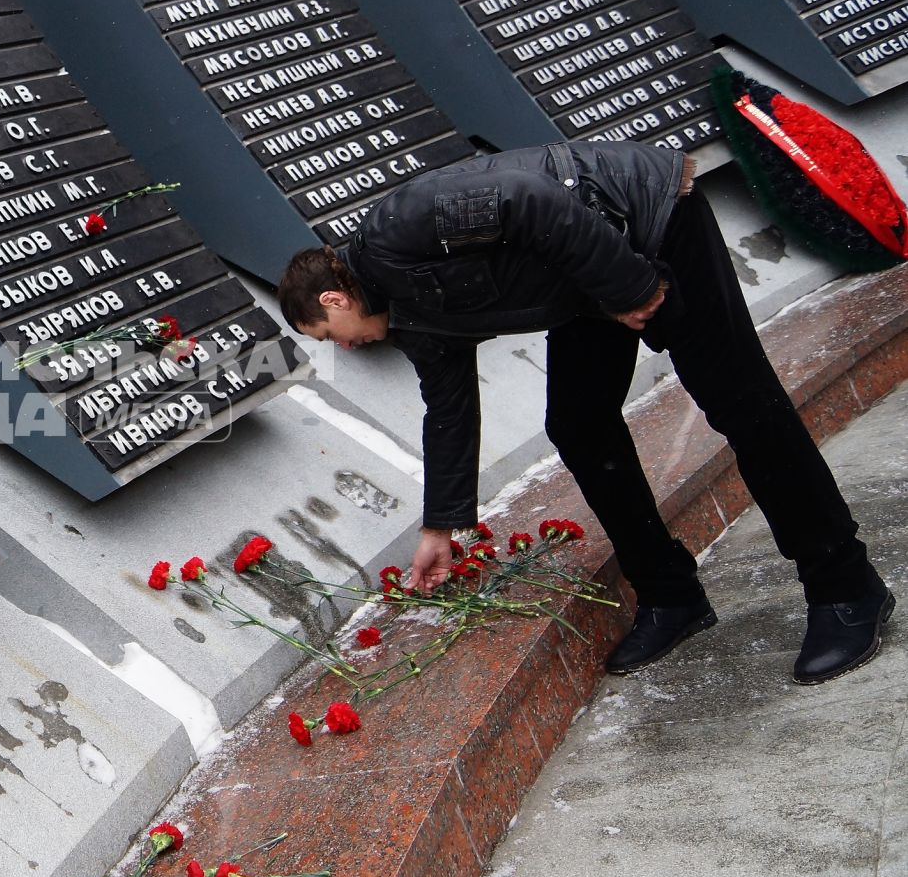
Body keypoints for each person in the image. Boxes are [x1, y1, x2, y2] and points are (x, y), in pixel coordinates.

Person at [278, 140, 893, 683]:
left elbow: (527, 197)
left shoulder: (398, 229)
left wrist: (632, 289)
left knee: (742, 402)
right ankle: (669, 596)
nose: (347, 347)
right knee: (578, 421)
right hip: (587, 280)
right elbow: (448, 409)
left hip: (649, 222)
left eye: (332, 333)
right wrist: (442, 526)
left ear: (334, 299)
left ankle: (847, 589)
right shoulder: (410, 320)